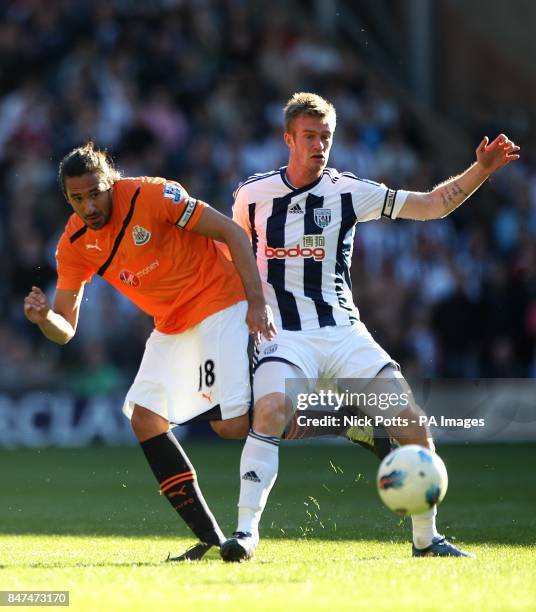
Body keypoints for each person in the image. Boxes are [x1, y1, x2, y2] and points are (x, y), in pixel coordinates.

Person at [220, 92, 520, 562]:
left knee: (413, 425)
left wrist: (480, 169)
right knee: (272, 410)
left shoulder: (348, 191)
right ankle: (245, 534)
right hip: (284, 335)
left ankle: (426, 540)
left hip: (343, 332)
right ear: (288, 139)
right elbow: (232, 254)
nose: (319, 146)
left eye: (326, 137)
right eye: (309, 137)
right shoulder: (253, 196)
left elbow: (432, 205)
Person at [23, 142, 276, 561]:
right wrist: (44, 318)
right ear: (67, 199)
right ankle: (214, 542)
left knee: (231, 427)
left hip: (219, 299)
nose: (89, 206)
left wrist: (255, 301)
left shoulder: (152, 195)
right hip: (172, 324)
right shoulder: (74, 243)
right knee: (145, 419)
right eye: (78, 199)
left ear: (112, 183)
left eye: (95, 193)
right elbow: (65, 331)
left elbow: (230, 232)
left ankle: (336, 416)